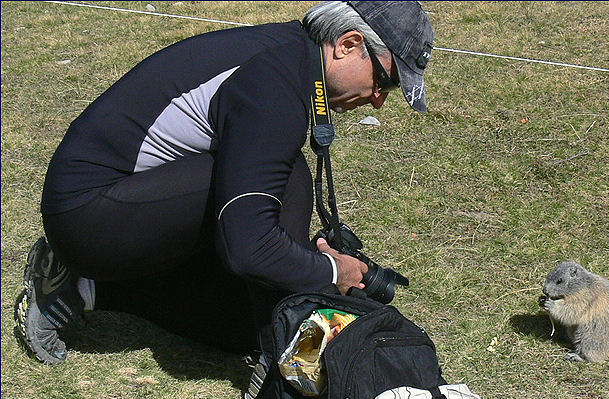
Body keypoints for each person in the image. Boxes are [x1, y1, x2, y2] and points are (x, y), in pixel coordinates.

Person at [14, 1, 435, 365]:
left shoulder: (289, 55)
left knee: (243, 326)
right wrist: (329, 271)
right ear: (348, 44)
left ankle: (83, 287)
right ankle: (283, 351)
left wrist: (305, 262)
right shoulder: (274, 81)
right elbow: (250, 248)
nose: (380, 98)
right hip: (86, 216)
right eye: (386, 80)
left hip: (127, 204)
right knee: (288, 186)